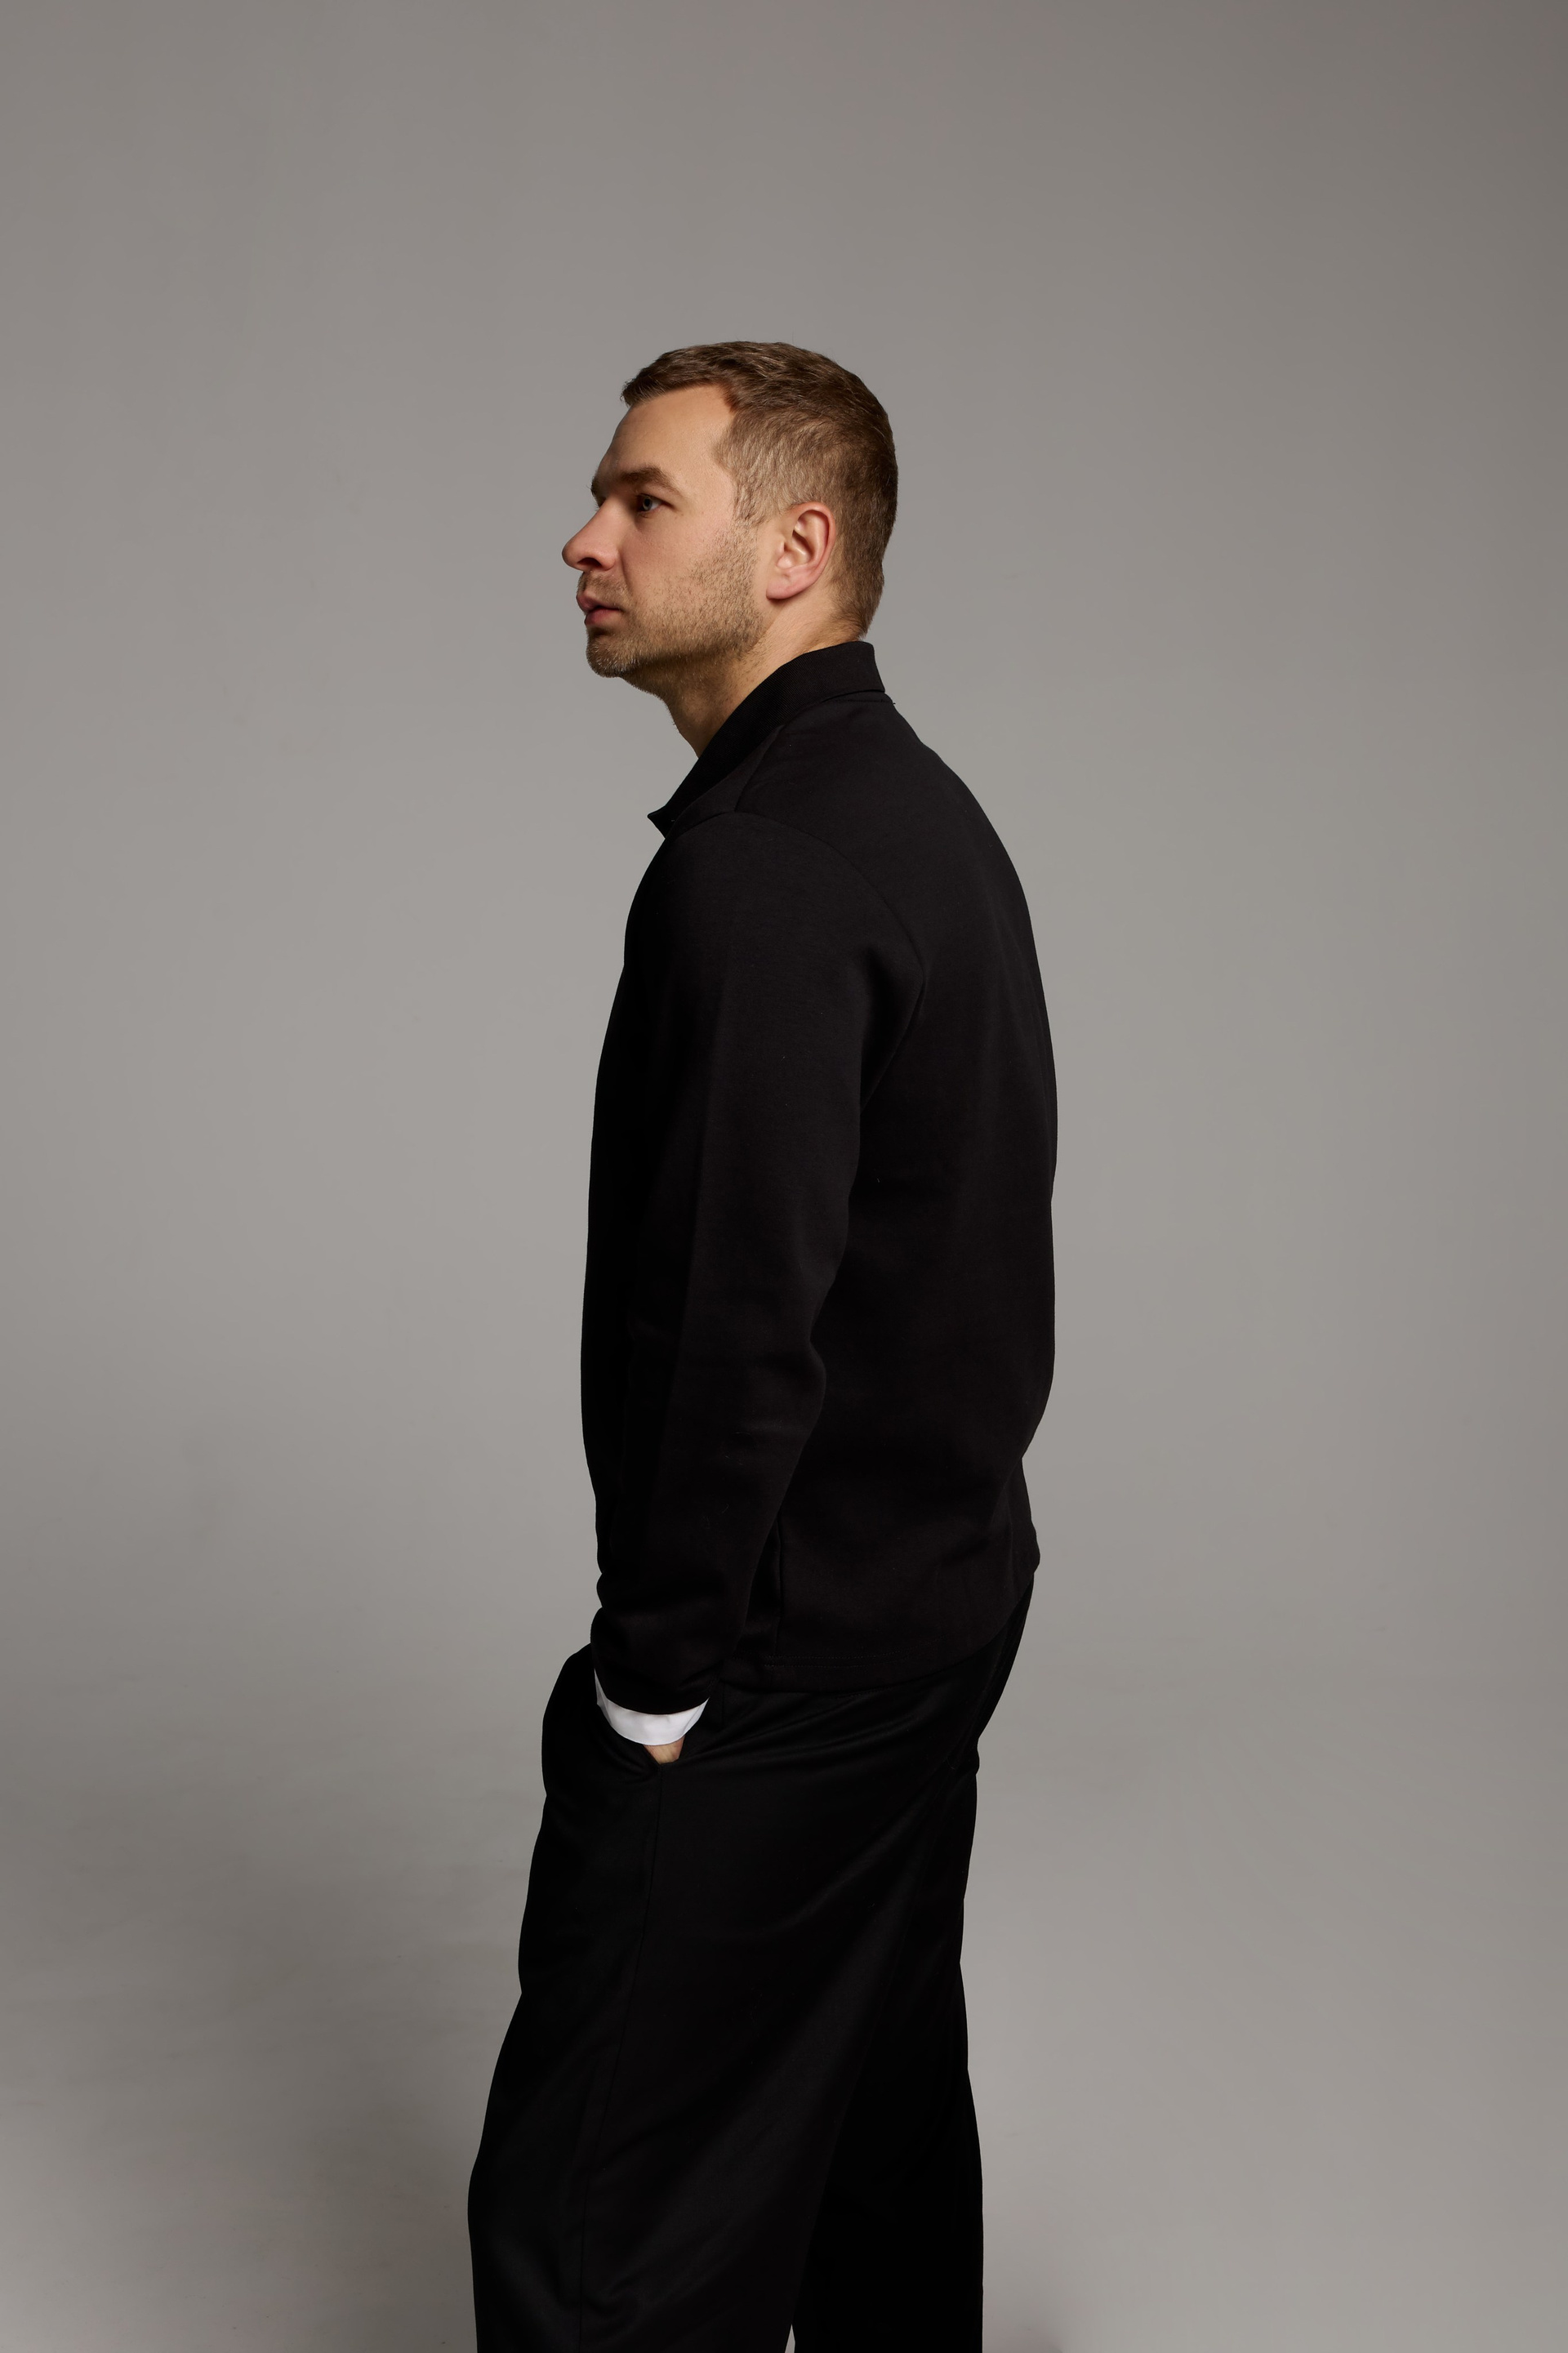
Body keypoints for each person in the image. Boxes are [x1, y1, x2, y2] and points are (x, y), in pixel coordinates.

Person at [468, 342, 1056, 2353]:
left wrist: (653, 1686)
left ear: (796, 551)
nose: (585, 539)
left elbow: (736, 1323)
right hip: (930, 1607)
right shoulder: (910, 812)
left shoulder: (771, 873)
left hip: (784, 1666)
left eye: (644, 499)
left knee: (600, 2230)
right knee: (861, 2137)